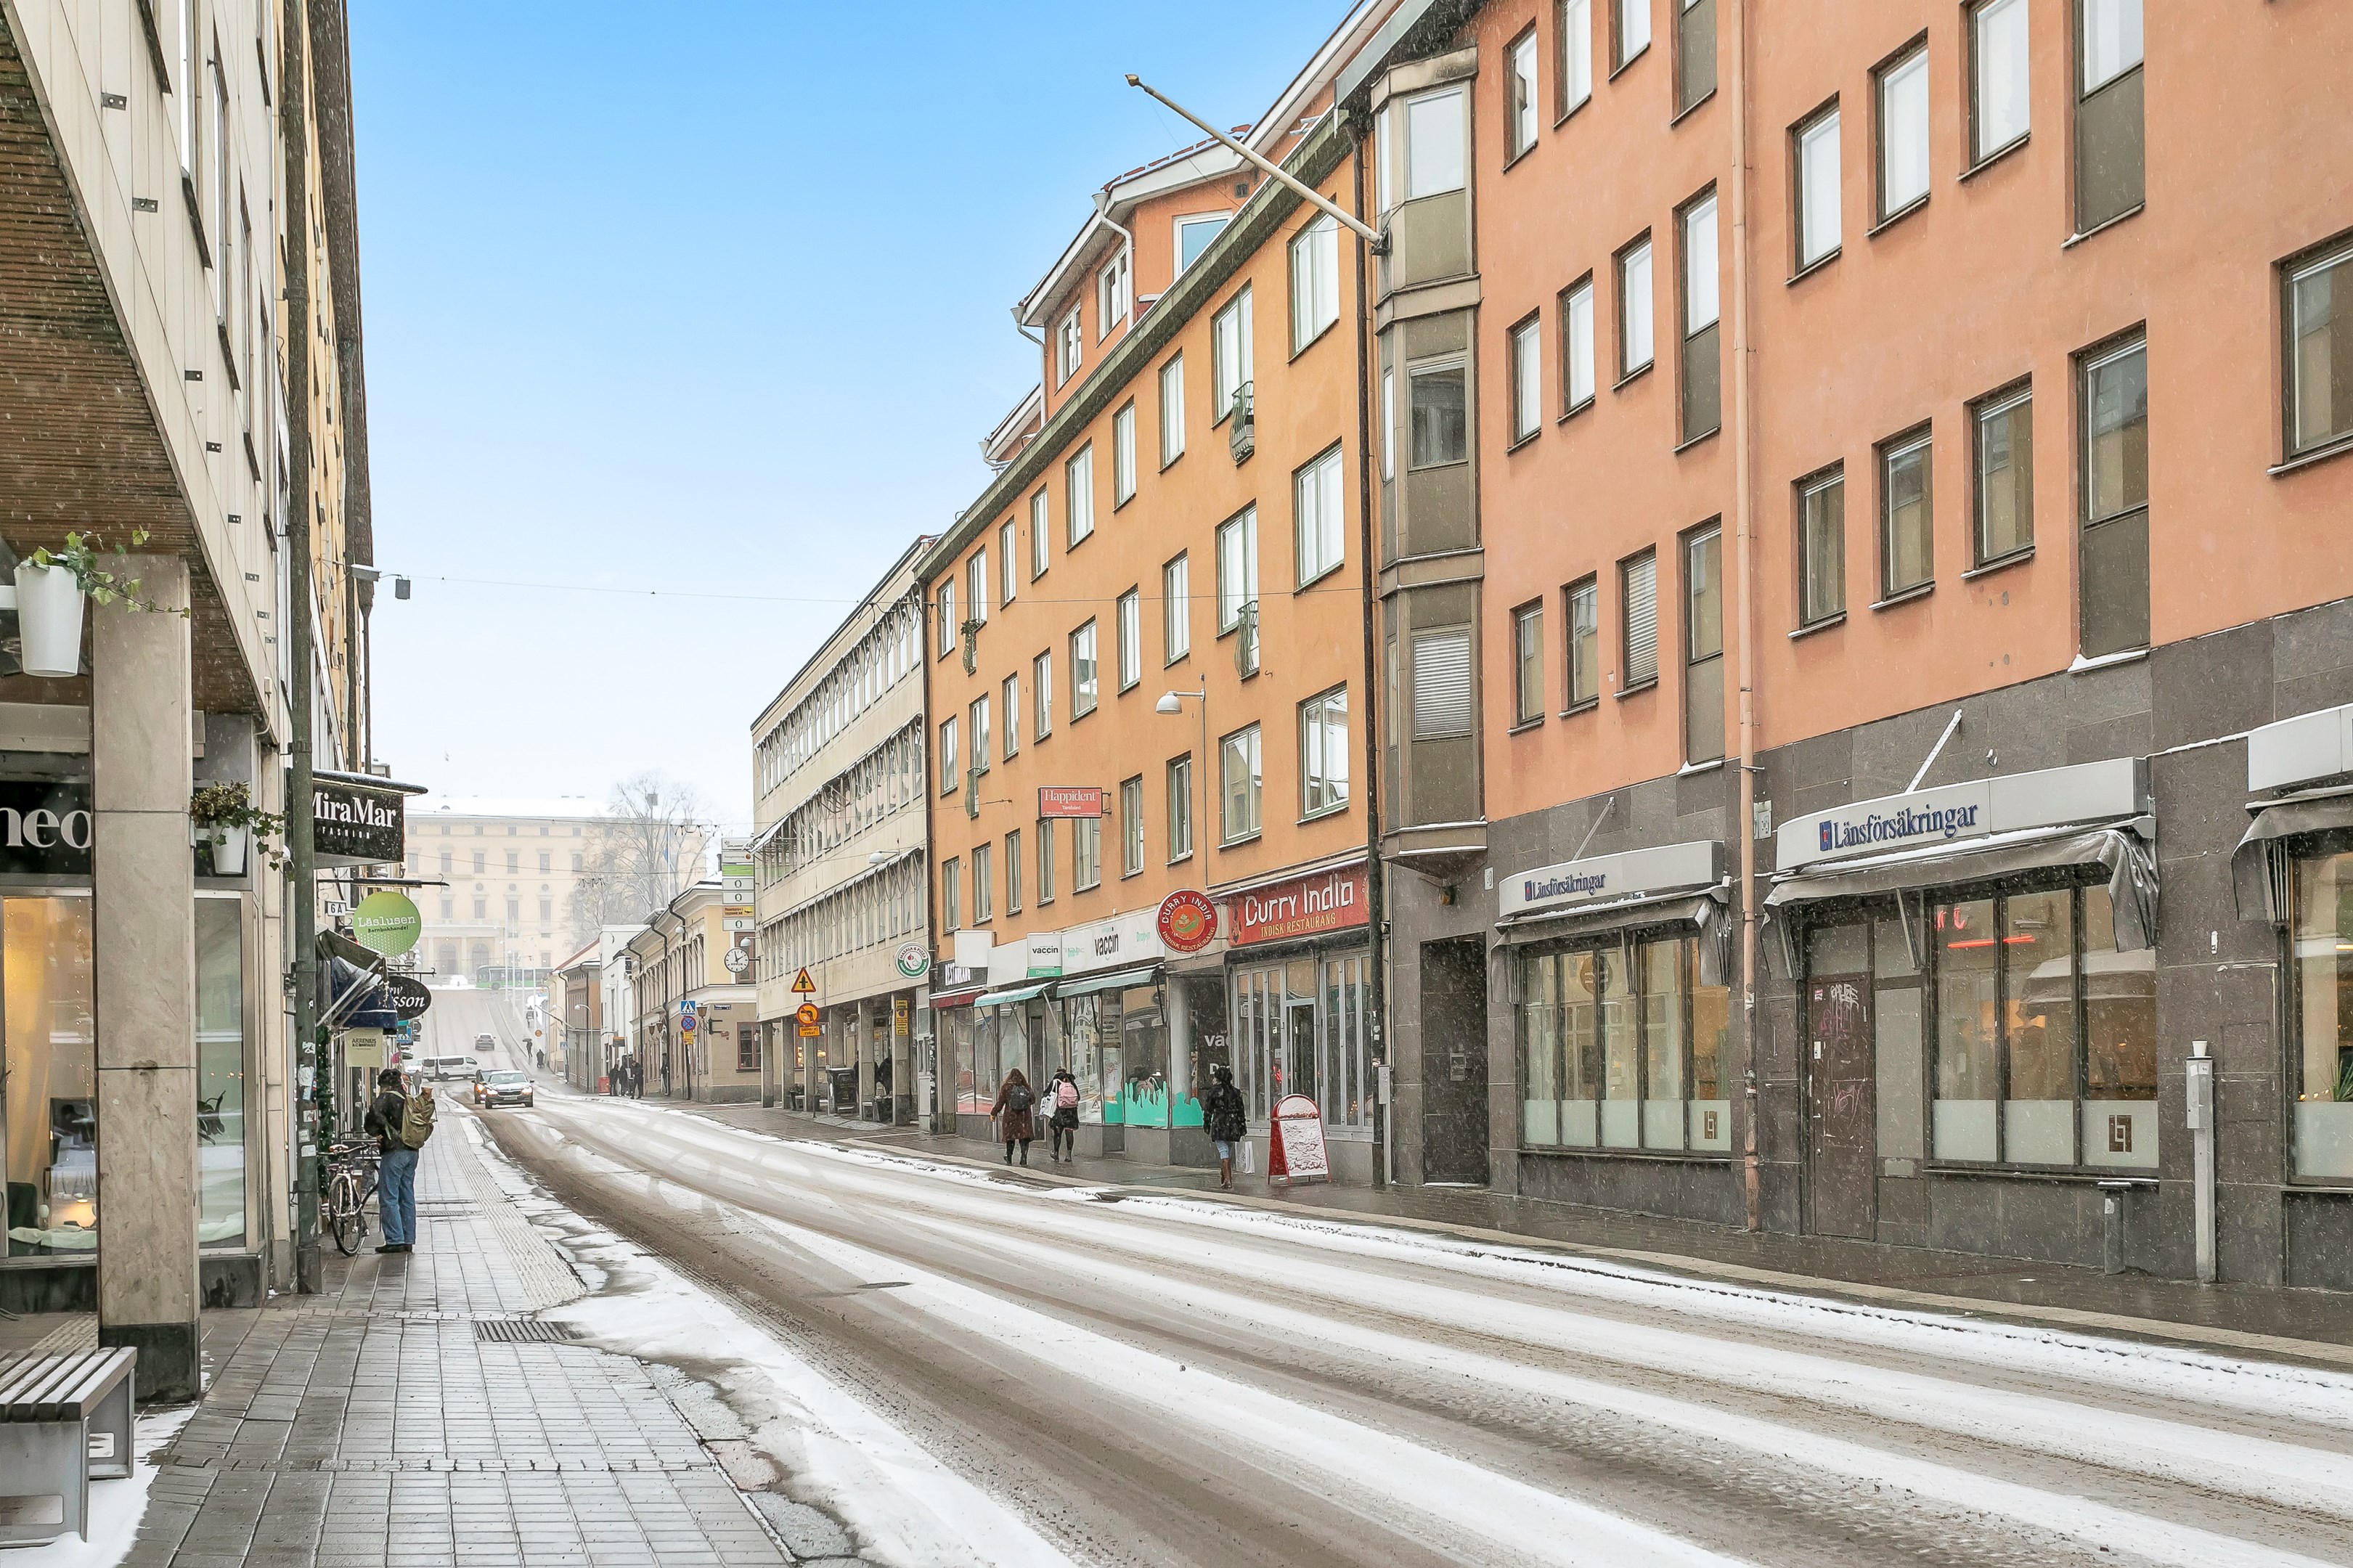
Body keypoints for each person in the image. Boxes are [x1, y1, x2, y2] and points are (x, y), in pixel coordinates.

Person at [364, 1067, 419, 1254]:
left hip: (394, 1152)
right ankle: (408, 1238)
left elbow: (371, 1123)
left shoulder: (386, 1098)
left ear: (383, 1085)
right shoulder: (407, 1098)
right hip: (412, 1152)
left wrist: (379, 1133)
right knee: (407, 1195)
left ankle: (395, 1240)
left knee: (388, 1196)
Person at [1204, 1065, 1247, 1191]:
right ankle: (1226, 1175)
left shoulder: (1213, 1092)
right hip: (1233, 1125)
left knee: (1223, 1151)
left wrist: (1206, 1124)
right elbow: (1241, 1111)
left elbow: (1208, 1111)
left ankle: (1227, 1179)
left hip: (1219, 1124)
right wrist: (1242, 1126)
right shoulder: (1236, 1092)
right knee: (1229, 1149)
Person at [992, 1067, 1037, 1166]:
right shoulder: (1026, 1087)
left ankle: (1009, 1158)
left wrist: (993, 1113)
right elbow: (1033, 1100)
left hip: (1010, 1117)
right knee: (1024, 1138)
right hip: (1024, 1117)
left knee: (1010, 1139)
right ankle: (1024, 1158)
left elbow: (1000, 1103)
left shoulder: (1006, 1087)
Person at [1045, 1067, 1080, 1163]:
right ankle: (1069, 1155)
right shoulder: (1071, 1082)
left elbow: (1046, 1094)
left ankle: (1056, 1154)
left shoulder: (1055, 1082)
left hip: (1059, 1112)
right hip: (1071, 1112)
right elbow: (1079, 1097)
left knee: (1057, 1133)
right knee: (1069, 1132)